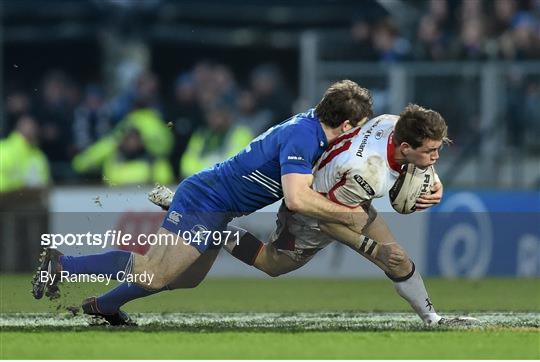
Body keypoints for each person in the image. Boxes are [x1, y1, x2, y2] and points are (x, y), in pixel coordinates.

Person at [32, 80, 376, 325]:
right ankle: (63, 266)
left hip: (219, 205)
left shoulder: (311, 126)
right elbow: (297, 198)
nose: (358, 135)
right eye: (357, 128)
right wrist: (348, 214)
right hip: (206, 199)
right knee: (154, 272)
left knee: (182, 278)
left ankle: (106, 305)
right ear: (345, 124)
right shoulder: (305, 136)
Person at [150, 105, 476, 326]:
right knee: (271, 264)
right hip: (313, 210)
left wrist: (437, 183)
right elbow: (329, 221)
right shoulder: (368, 173)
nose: (435, 157)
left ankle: (434, 320)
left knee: (399, 260)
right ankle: (214, 225)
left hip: (346, 195)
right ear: (405, 148)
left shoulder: (393, 122)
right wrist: (373, 250)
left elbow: (416, 157)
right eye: (431, 151)